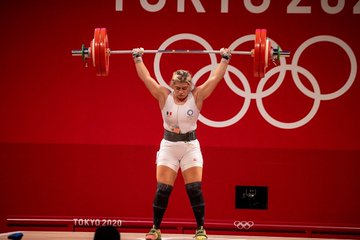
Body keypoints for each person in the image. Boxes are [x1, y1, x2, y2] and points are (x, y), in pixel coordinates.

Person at [132, 47, 231, 240]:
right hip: (169, 146)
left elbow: (215, 79)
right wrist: (137, 58)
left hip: (190, 146)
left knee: (194, 189)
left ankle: (201, 229)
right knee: (163, 189)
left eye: (185, 88)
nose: (181, 92)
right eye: (177, 87)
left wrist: (225, 59)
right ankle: (155, 229)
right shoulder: (163, 95)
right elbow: (147, 78)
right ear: (172, 85)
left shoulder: (198, 96)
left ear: (190, 86)